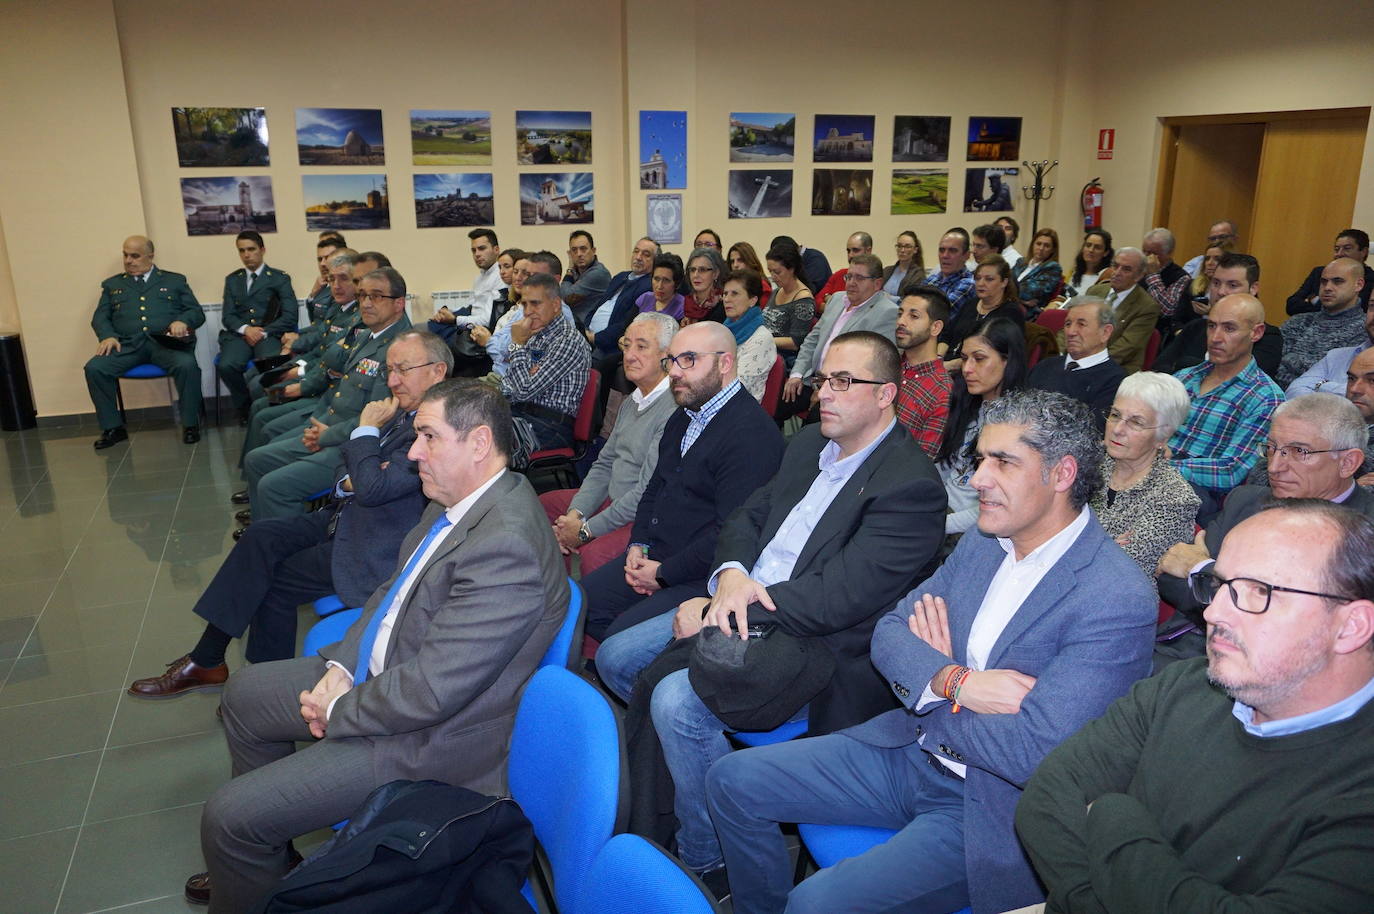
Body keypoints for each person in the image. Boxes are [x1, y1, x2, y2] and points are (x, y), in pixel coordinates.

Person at [707, 389, 1158, 914]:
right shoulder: (986, 542)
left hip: (990, 806)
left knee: (815, 904)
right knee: (731, 781)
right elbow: (890, 633)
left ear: (1061, 475)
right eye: (981, 459)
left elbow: (1034, 754)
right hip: (910, 751)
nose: (977, 479)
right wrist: (956, 682)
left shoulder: (1115, 597)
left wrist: (932, 694)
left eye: (1003, 462)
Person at [188, 380, 569, 913]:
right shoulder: (457, 500)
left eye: (428, 437)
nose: (413, 454)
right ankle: (263, 861)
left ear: (479, 443)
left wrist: (338, 707)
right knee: (246, 695)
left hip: (428, 740)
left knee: (227, 815)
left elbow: (431, 693)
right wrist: (343, 666)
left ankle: (247, 847)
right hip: (387, 680)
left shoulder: (507, 546)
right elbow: (389, 594)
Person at [602, 331, 947, 890]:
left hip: (821, 648)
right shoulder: (811, 441)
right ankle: (680, 788)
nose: (823, 394)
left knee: (675, 702)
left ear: (886, 394)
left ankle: (706, 856)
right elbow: (745, 516)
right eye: (821, 380)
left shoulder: (911, 486)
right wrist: (730, 577)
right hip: (748, 600)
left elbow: (838, 597)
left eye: (843, 382)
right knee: (618, 658)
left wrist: (727, 606)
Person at [1017, 500, 1374, 914]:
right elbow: (1046, 799)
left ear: (1351, 627)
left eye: (1260, 590)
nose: (1215, 611)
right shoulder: (1185, 684)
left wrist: (1113, 816)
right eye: (1219, 584)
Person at [127, 331, 451, 694]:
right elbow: (349, 467)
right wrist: (354, 477)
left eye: (403, 370)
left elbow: (373, 488)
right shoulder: (400, 410)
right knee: (260, 537)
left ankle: (254, 688)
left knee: (274, 582)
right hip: (345, 516)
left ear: (437, 371)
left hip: (377, 543)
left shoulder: (436, 426)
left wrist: (365, 433)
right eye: (390, 370)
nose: (392, 381)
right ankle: (209, 660)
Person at [579, 322, 784, 644]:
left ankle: (662, 670)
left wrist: (662, 574)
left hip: (703, 573)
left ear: (725, 363)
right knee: (583, 603)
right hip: (659, 554)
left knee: (621, 639)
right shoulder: (686, 413)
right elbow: (655, 487)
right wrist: (638, 544)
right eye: (671, 360)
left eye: (688, 359)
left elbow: (730, 532)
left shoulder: (752, 436)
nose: (674, 371)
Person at [1157, 392, 1374, 634]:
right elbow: (1171, 577)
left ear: (1347, 463)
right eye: (1271, 448)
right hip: (1183, 648)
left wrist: (1200, 570)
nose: (1274, 467)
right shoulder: (1246, 501)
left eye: (1299, 452)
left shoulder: (1367, 536)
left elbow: (1297, 628)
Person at [242, 267, 412, 521]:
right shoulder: (366, 335)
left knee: (274, 486)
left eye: (375, 296)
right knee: (256, 459)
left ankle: (283, 548)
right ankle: (262, 534)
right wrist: (316, 428)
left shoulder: (400, 348)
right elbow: (336, 387)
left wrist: (326, 435)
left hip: (356, 445)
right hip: (329, 427)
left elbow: (380, 416)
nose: (365, 303)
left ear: (398, 303)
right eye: (363, 295)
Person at [542, 312, 678, 576]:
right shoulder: (632, 401)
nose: (629, 355)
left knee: (595, 554)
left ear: (666, 354)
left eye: (641, 346)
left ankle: (587, 603)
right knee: (545, 507)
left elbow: (644, 494)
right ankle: (563, 591)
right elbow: (604, 464)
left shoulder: (673, 408)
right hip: (612, 498)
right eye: (626, 345)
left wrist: (584, 531)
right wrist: (576, 515)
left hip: (642, 515)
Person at [85, 235, 205, 448]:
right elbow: (100, 317)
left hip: (164, 344)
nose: (129, 260)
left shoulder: (174, 281)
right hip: (128, 346)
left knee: (187, 365)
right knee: (95, 368)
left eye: (135, 255)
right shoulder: (113, 285)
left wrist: (182, 321)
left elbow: (195, 312)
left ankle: (190, 424)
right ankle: (113, 428)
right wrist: (108, 336)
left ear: (150, 256)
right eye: (125, 255)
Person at [1169, 293, 1285, 498]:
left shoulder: (1266, 398)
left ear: (1256, 333)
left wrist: (1158, 466)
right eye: (1211, 326)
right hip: (1144, 473)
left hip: (1194, 493)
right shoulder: (1184, 377)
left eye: (1229, 328)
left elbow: (1232, 472)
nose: (1215, 338)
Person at [1089, 371, 1200, 579]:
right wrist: (1103, 545)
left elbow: (1116, 570)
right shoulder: (1089, 464)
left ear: (1163, 437)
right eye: (1115, 415)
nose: (1118, 429)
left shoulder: (1174, 498)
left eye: (1136, 422)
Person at [936, 317, 1028, 535]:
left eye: (979, 359)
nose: (967, 369)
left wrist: (935, 526)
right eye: (965, 358)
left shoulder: (1017, 425)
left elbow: (994, 506)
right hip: (940, 511)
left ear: (1008, 361)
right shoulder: (969, 402)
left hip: (973, 530)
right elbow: (944, 467)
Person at [783, 254, 899, 422]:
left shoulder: (887, 312)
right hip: (812, 379)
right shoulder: (837, 299)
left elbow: (871, 367)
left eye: (859, 278)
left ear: (877, 284)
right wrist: (797, 374)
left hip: (843, 389)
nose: (851, 282)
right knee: (772, 405)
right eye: (849, 276)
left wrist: (828, 387)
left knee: (812, 428)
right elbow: (812, 340)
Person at [1152, 251, 1283, 380]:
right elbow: (1159, 369)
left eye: (1232, 285)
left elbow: (1236, 377)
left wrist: (1183, 364)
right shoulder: (1195, 328)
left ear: (1253, 288)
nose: (1221, 292)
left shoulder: (1267, 337)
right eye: (1216, 283)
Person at [501, 272, 591, 455]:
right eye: (525, 304)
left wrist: (517, 345)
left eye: (535, 303)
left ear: (556, 304)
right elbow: (509, 384)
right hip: (526, 417)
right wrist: (525, 376)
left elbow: (523, 390)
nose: (527, 312)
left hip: (551, 427)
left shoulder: (567, 340)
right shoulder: (536, 335)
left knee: (478, 443)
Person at [217, 231, 298, 423]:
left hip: (269, 334)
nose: (247, 255)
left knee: (270, 363)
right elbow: (227, 316)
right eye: (242, 250)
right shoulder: (232, 279)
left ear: (262, 250)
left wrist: (263, 331)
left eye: (251, 249)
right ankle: (245, 407)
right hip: (240, 336)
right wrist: (246, 329)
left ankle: (269, 409)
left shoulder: (279, 278)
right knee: (226, 365)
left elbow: (290, 315)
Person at [1027, 296, 1124, 429]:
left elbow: (1090, 433)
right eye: (1068, 324)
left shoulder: (1115, 382)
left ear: (1105, 332)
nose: (1071, 332)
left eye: (1081, 324)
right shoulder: (1045, 366)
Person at [1277, 257, 1368, 387]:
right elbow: (1270, 366)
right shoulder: (1298, 322)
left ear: (1358, 285)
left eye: (1338, 281)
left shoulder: (1365, 329)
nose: (1327, 288)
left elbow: (1338, 380)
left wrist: (1290, 361)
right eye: (1323, 282)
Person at [1071, 246, 1158, 374]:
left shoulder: (1146, 306)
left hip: (1116, 368)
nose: (1117, 272)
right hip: (1080, 359)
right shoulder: (1095, 291)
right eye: (1115, 266)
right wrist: (1063, 352)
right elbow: (1072, 325)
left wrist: (1089, 363)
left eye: (1126, 269)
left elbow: (1127, 347)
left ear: (1139, 276)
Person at [894, 285, 952, 457]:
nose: (901, 321)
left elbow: (920, 462)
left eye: (913, 316)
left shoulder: (942, 392)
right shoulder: (888, 365)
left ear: (935, 328)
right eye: (900, 313)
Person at [939, 255, 1023, 371]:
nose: (981, 283)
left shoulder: (1010, 313)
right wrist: (938, 360)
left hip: (977, 372)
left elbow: (995, 355)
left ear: (1004, 282)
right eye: (978, 278)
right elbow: (946, 336)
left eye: (989, 279)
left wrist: (948, 366)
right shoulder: (970, 304)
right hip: (947, 365)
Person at [1286, 287, 1374, 397]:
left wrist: (1323, 386)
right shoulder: (1337, 356)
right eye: (1372, 306)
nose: (1355, 389)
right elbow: (1294, 391)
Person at [584, 236, 659, 359]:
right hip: (589, 337)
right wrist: (585, 328)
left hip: (608, 346)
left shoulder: (649, 285)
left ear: (655, 261)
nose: (638, 257)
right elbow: (599, 306)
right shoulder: (620, 277)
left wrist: (594, 337)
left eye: (646, 254)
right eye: (636, 251)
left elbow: (625, 324)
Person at [430, 228, 505, 331]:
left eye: (482, 248)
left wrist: (455, 319)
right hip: (470, 322)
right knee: (432, 324)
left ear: (496, 250)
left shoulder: (501, 276)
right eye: (474, 250)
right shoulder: (479, 278)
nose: (477, 254)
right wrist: (447, 312)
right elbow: (471, 307)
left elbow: (489, 320)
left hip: (481, 330)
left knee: (429, 332)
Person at [1286, 228, 1374, 314]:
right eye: (1336, 249)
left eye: (1347, 248)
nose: (1339, 254)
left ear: (1363, 252)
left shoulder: (1371, 279)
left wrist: (1314, 301)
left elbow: (1358, 311)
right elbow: (1292, 305)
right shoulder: (1319, 272)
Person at [720, 269, 777, 402]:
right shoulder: (723, 331)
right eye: (725, 293)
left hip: (740, 409)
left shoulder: (761, 338)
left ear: (752, 300)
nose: (727, 299)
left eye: (734, 294)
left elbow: (738, 388)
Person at [762, 242, 817, 370]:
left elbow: (796, 342)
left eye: (777, 272)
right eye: (770, 271)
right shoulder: (777, 291)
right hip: (768, 352)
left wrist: (763, 340)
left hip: (785, 360)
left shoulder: (804, 300)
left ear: (792, 269)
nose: (773, 277)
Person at [922, 231, 977, 318]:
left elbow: (939, 315)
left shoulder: (968, 284)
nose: (945, 255)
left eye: (952, 251)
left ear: (966, 255)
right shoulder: (931, 280)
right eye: (941, 250)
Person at [560, 229, 611, 320]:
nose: (579, 254)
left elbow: (565, 296)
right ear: (570, 254)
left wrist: (569, 269)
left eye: (583, 249)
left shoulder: (598, 273)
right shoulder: (576, 272)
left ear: (593, 250)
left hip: (589, 328)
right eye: (574, 250)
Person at [815, 233, 874, 310]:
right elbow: (817, 301)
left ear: (868, 251)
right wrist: (834, 310)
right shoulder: (840, 274)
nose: (851, 255)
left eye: (855, 250)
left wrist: (830, 299)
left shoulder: (873, 279)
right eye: (848, 251)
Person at [1012, 227, 1063, 314]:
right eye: (1038, 244)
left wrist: (1010, 294)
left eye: (1046, 246)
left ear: (1053, 250)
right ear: (1032, 245)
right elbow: (1002, 283)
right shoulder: (1020, 262)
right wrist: (1022, 301)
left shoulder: (1053, 268)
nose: (1041, 248)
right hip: (1010, 308)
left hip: (1028, 315)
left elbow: (1028, 293)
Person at [1061, 228, 1114, 301]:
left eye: (1097, 247)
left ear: (1106, 252)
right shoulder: (1073, 273)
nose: (1091, 250)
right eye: (1088, 245)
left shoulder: (1107, 276)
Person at [635, 253, 686, 322]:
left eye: (666, 280)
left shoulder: (683, 307)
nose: (659, 286)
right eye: (656, 279)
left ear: (677, 284)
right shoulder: (644, 299)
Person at [683, 247, 728, 324]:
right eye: (692, 270)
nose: (695, 275)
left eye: (702, 270)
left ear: (715, 273)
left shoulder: (724, 305)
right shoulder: (685, 302)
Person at [727, 240, 772, 307]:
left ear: (750, 261)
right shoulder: (730, 286)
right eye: (732, 261)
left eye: (740, 260)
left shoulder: (763, 287)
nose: (735, 265)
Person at [882, 230, 925, 299]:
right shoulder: (887, 270)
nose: (902, 250)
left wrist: (889, 298)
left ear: (915, 250)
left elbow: (912, 300)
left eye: (907, 246)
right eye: (899, 246)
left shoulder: (918, 275)